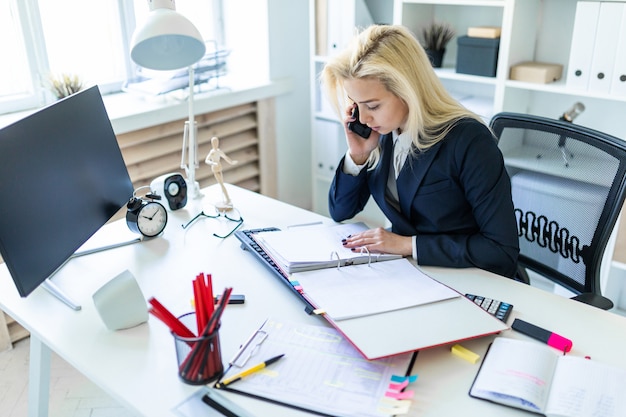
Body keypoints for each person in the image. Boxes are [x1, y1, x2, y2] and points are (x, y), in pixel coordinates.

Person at [320, 24, 519, 278]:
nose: (364, 117)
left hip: (470, 277)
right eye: (356, 104)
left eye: (373, 105)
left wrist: (406, 244)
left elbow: (501, 251)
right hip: (412, 274)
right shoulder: (382, 132)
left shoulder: (469, 140)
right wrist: (358, 156)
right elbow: (340, 211)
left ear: (407, 90)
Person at [205, 136, 238, 209]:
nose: (215, 144)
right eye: (214, 142)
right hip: (215, 168)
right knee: (221, 184)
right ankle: (227, 199)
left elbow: (225, 157)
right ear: (212, 143)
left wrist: (231, 162)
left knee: (222, 184)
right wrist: (213, 163)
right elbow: (206, 160)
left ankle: (227, 199)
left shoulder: (219, 151)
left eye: (216, 142)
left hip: (219, 167)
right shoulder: (212, 152)